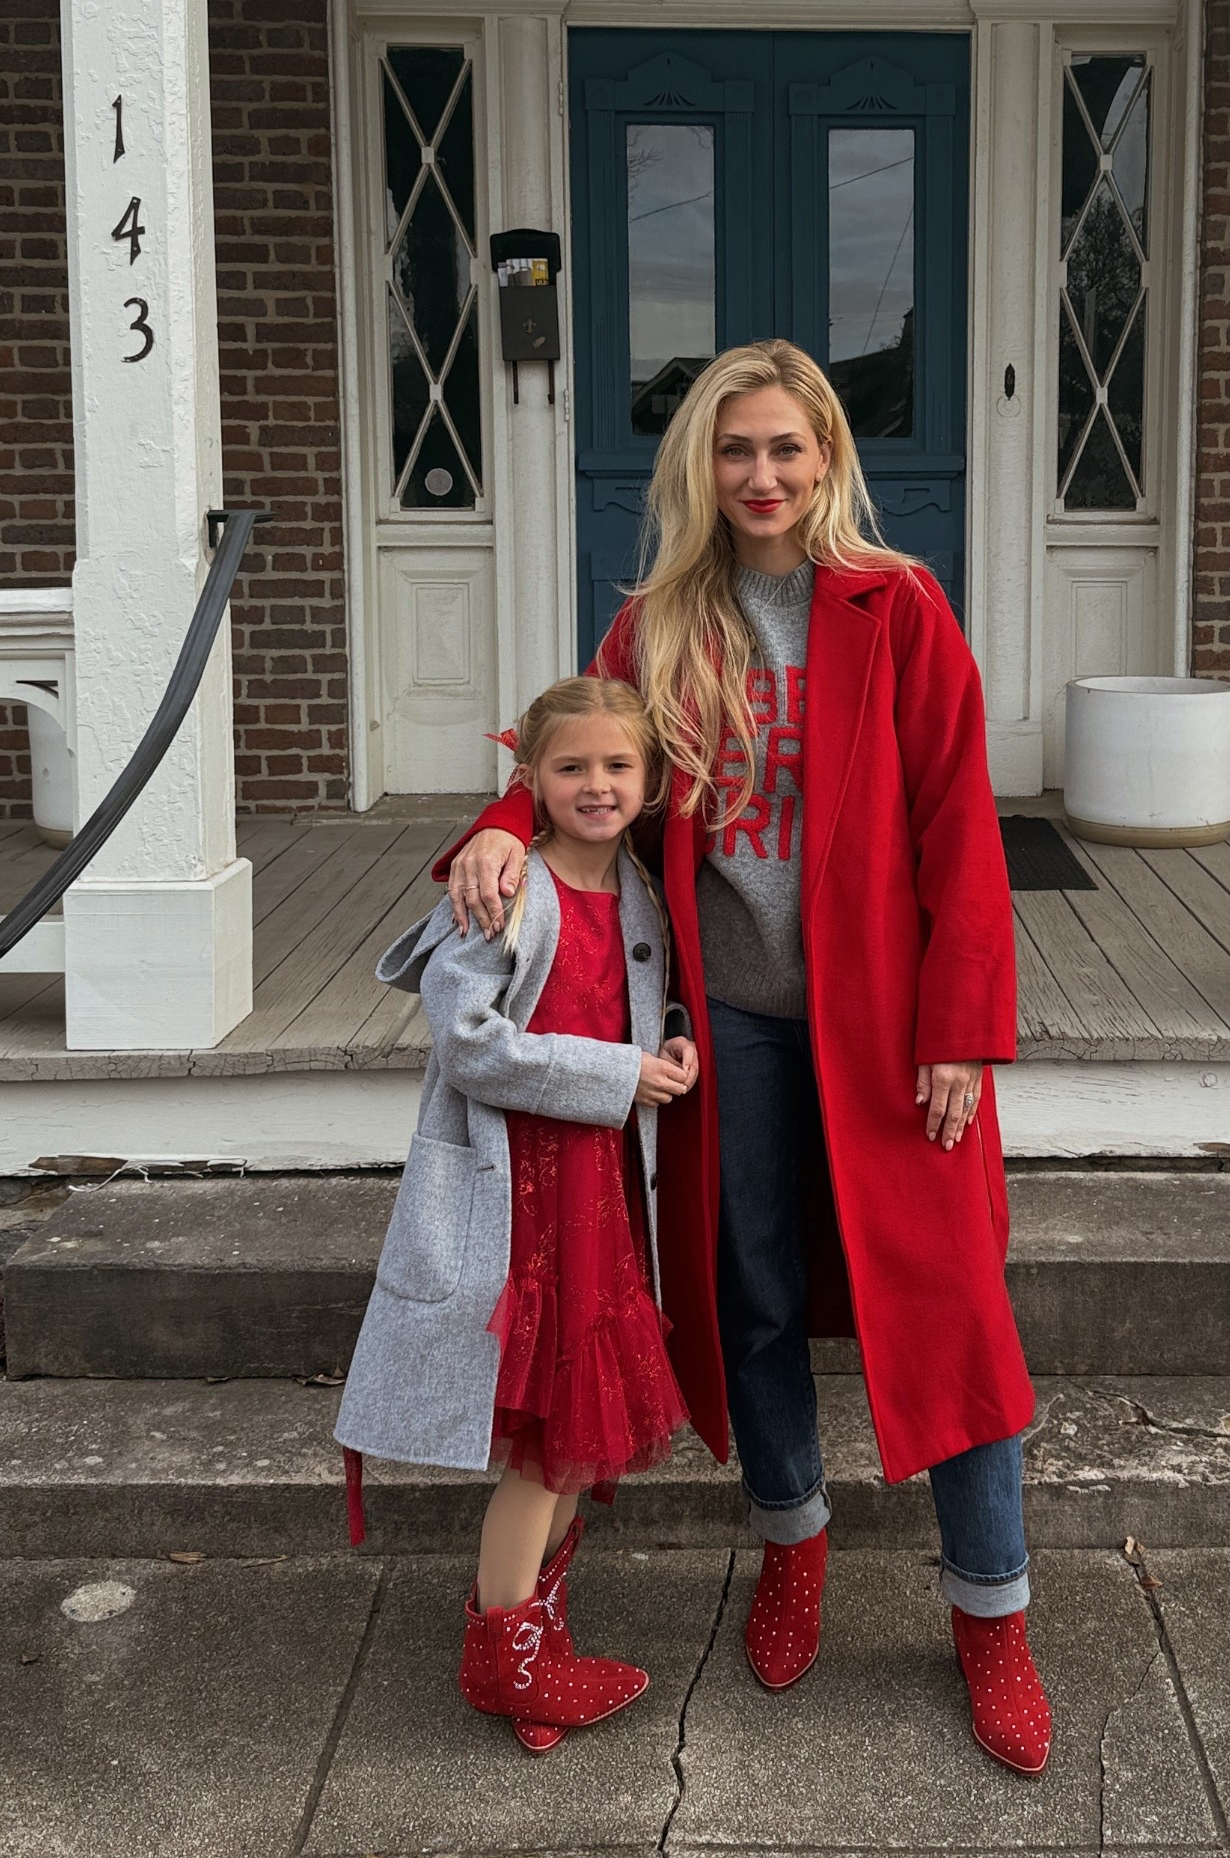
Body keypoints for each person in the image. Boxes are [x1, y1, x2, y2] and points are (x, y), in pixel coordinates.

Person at [436, 340, 1051, 1776]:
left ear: (827, 456)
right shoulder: (658, 625)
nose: (761, 475)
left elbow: (962, 825)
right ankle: (794, 1547)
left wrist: (964, 1023)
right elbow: (572, 764)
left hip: (887, 1028)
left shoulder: (896, 608)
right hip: (727, 1030)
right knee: (753, 1291)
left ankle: (993, 1618)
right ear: (698, 469)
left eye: (785, 447)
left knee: (956, 1309)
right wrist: (501, 829)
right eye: (734, 451)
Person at [336, 676, 696, 1752]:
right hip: (524, 1202)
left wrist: (667, 1041)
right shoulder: (505, 893)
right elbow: (470, 1042)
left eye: (617, 766)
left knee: (576, 1442)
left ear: (650, 779)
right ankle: (507, 1658)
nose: (597, 784)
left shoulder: (637, 887)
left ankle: (535, 1639)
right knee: (545, 1446)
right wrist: (618, 1071)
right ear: (529, 779)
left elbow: (650, 999)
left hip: (598, 1203)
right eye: (572, 766)